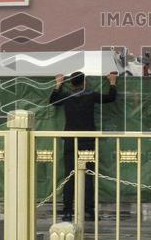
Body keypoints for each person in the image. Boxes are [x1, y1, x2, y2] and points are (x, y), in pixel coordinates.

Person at [49, 70, 118, 221]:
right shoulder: (91, 95)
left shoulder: (67, 96)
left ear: (71, 83)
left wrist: (58, 83)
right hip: (87, 141)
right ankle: (89, 210)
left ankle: (67, 211)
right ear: (84, 82)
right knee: (88, 176)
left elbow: (53, 100)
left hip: (70, 140)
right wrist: (112, 82)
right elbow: (110, 98)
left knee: (69, 175)